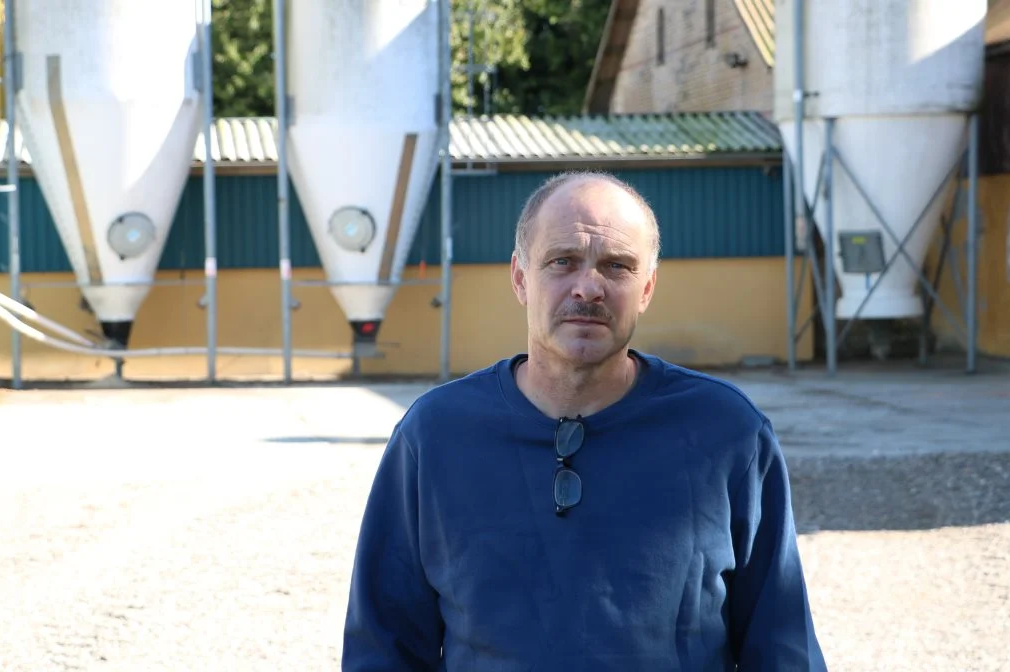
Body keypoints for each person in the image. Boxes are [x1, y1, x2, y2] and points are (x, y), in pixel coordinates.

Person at [341, 170, 828, 670]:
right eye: (562, 261)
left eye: (617, 266)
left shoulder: (725, 434)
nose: (589, 287)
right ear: (519, 278)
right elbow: (383, 647)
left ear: (646, 288)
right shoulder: (436, 435)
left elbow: (782, 645)